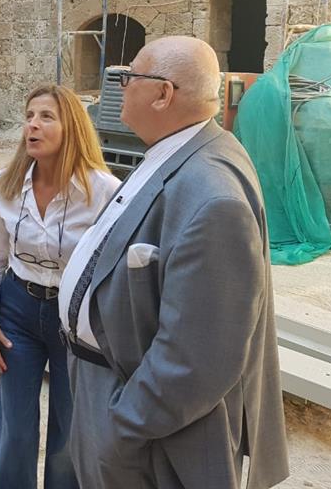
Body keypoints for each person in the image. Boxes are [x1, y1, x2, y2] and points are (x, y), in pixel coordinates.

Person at [58, 36, 289, 489]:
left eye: (129, 77)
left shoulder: (214, 197)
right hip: (110, 389)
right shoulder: (179, 150)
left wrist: (119, 429)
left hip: (142, 427)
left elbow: (197, 360)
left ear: (163, 94)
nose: (120, 86)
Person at [0, 84, 120, 489]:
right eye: (29, 116)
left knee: (70, 430)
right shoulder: (6, 184)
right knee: (14, 425)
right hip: (17, 310)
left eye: (46, 117)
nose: (32, 125)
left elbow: (115, 267)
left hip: (75, 318)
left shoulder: (104, 191)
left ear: (71, 127)